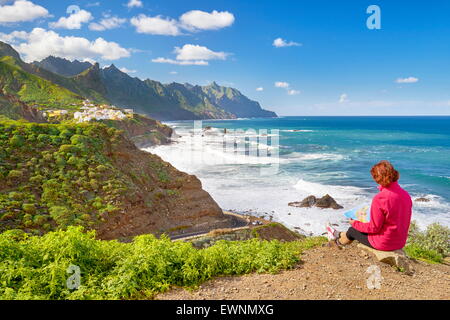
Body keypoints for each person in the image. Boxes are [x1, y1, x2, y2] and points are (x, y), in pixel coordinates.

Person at [326, 160, 413, 251]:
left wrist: (354, 223)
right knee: (357, 229)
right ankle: (337, 234)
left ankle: (335, 244)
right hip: (399, 242)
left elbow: (374, 228)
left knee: (353, 230)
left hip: (385, 243)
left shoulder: (380, 198)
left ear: (377, 178)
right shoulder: (406, 195)